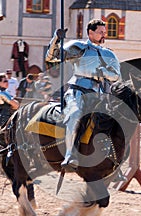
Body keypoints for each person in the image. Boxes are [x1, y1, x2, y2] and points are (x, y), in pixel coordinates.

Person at [45, 19, 121, 171]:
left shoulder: (109, 53)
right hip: (77, 90)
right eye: (100, 32)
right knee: (75, 114)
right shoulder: (79, 47)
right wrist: (56, 39)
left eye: (104, 32)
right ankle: (69, 154)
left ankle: (111, 159)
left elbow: (116, 75)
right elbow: (51, 57)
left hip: (99, 94)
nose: (103, 35)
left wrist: (102, 72)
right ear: (90, 32)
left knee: (113, 121)